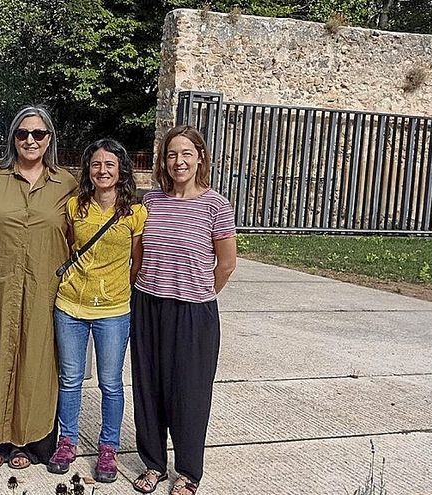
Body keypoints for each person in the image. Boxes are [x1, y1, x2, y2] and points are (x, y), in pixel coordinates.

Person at [0, 106, 77, 469]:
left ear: (49, 140)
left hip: (44, 290)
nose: (30, 140)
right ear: (13, 137)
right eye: (23, 133)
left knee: (37, 362)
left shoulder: (67, 184)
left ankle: (28, 440)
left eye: (39, 134)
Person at [130, 126, 236, 494]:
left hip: (194, 312)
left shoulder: (216, 205)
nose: (179, 161)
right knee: (149, 388)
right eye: (172, 155)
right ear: (164, 161)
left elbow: (225, 265)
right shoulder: (150, 202)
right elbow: (138, 253)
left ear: (200, 158)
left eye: (186, 154)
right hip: (148, 305)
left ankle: (188, 471)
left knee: (189, 394)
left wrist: (199, 291)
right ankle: (153, 464)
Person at [46, 138, 146, 483]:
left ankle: (108, 447)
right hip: (70, 304)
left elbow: (137, 261)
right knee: (70, 379)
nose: (102, 171)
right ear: (88, 170)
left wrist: (115, 287)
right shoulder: (76, 207)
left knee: (111, 383)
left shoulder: (135, 212)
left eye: (109, 165)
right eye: (96, 165)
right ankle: (67, 440)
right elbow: (70, 244)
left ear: (121, 171)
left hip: (113, 309)